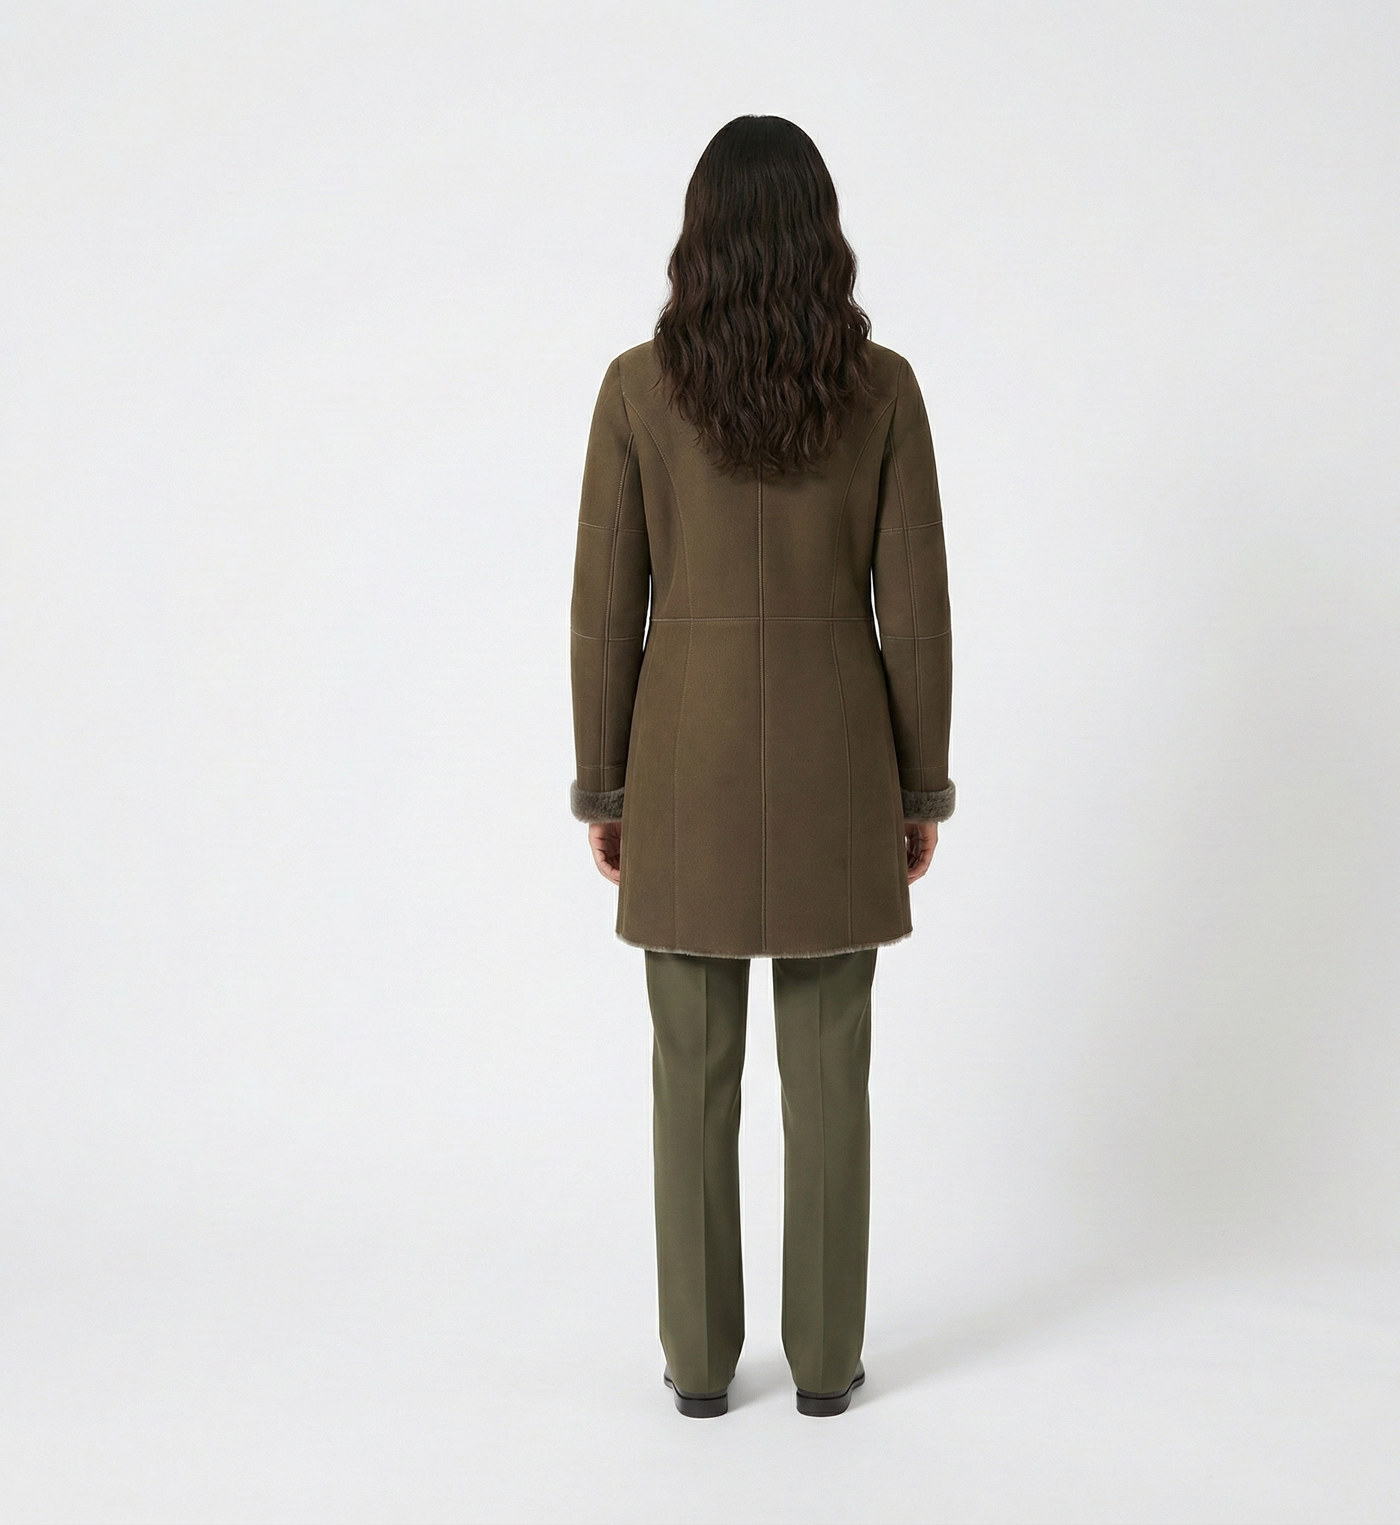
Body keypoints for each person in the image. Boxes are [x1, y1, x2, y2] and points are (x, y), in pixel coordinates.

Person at [568, 115, 954, 1419]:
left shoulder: (637, 389)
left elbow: (603, 610)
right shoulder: (882, 389)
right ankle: (829, 1369)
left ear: (700, 239)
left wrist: (606, 786)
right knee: (830, 1076)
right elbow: (918, 610)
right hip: (841, 757)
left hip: (684, 760)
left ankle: (697, 1367)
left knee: (691, 1076)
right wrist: (918, 788)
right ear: (819, 236)